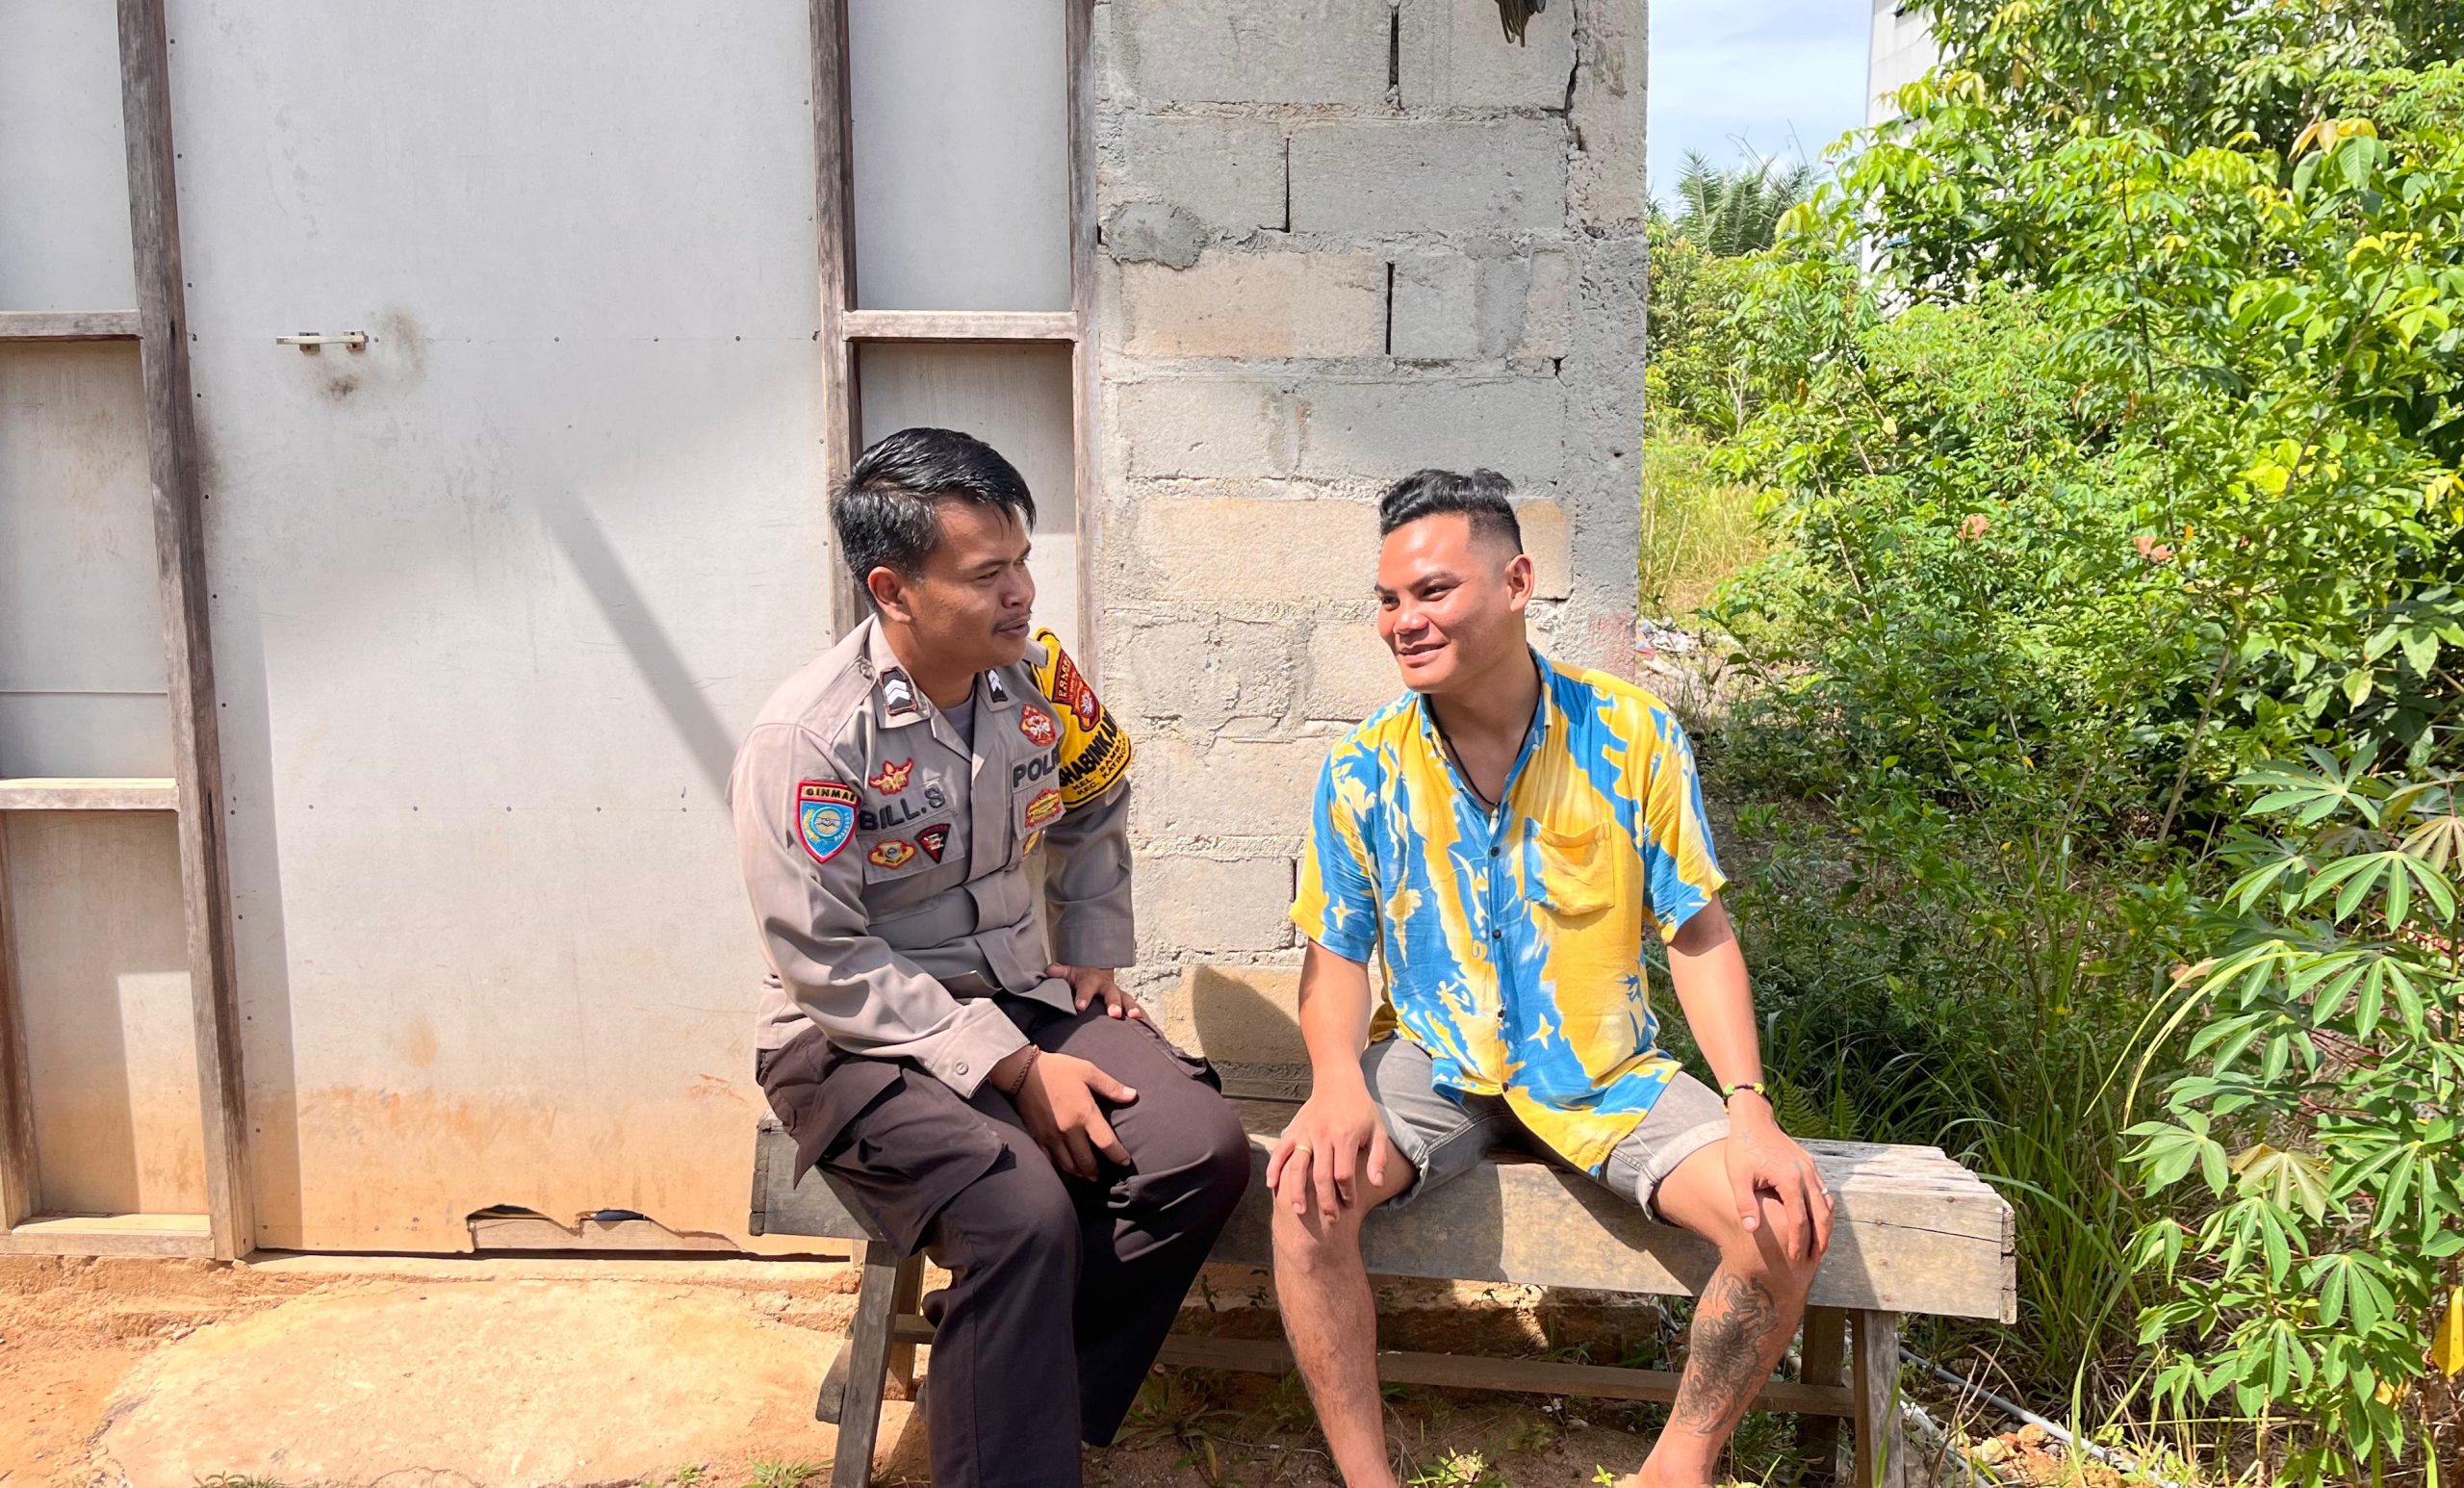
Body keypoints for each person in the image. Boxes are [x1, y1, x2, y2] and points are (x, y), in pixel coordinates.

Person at [1267, 469, 1835, 1488]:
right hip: (1435, 1066)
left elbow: (1697, 930)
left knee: (1780, 1222)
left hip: (1604, 1072)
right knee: (1304, 1198)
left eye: (1433, 591)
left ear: (1516, 581)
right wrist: (1335, 1082)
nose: (1404, 620)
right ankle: (1367, 1480)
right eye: (1389, 600)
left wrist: (1749, 1106)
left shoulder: (1631, 735)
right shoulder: (1362, 771)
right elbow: (1336, 953)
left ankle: (1677, 1467)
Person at [731, 426, 1249, 1488]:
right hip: (849, 1042)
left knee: (1201, 1149)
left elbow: (1097, 799)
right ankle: (1008, 1450)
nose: (1019, 592)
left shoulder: (1040, 680)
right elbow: (824, 958)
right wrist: (1015, 1067)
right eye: (986, 573)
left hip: (1021, 993)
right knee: (1018, 1211)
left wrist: (1095, 949)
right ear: (894, 589)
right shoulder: (814, 737)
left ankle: (1016, 1392)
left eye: (1022, 560)